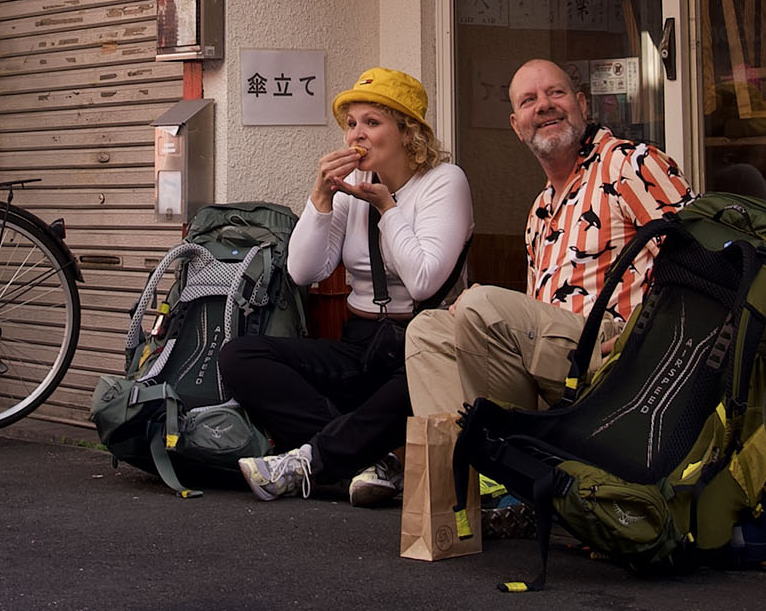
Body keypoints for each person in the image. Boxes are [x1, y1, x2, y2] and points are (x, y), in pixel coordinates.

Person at [222, 67, 473, 506]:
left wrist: (389, 210)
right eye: (352, 123)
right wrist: (320, 198)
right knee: (240, 356)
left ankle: (317, 459)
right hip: (360, 341)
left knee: (419, 381)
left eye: (372, 122)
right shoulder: (353, 185)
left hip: (418, 344)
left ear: (408, 133)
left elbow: (424, 280)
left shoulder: (444, 181)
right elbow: (303, 271)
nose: (357, 134)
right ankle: (371, 459)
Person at [405, 58, 691, 421]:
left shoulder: (630, 163)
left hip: (619, 349)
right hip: (557, 361)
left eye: (556, 93)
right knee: (428, 331)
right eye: (529, 100)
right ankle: (468, 453)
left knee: (481, 305)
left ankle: (503, 444)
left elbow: (699, 260)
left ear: (582, 104)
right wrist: (482, 312)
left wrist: (641, 334)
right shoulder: (541, 208)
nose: (543, 105)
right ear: (516, 126)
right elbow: (538, 317)